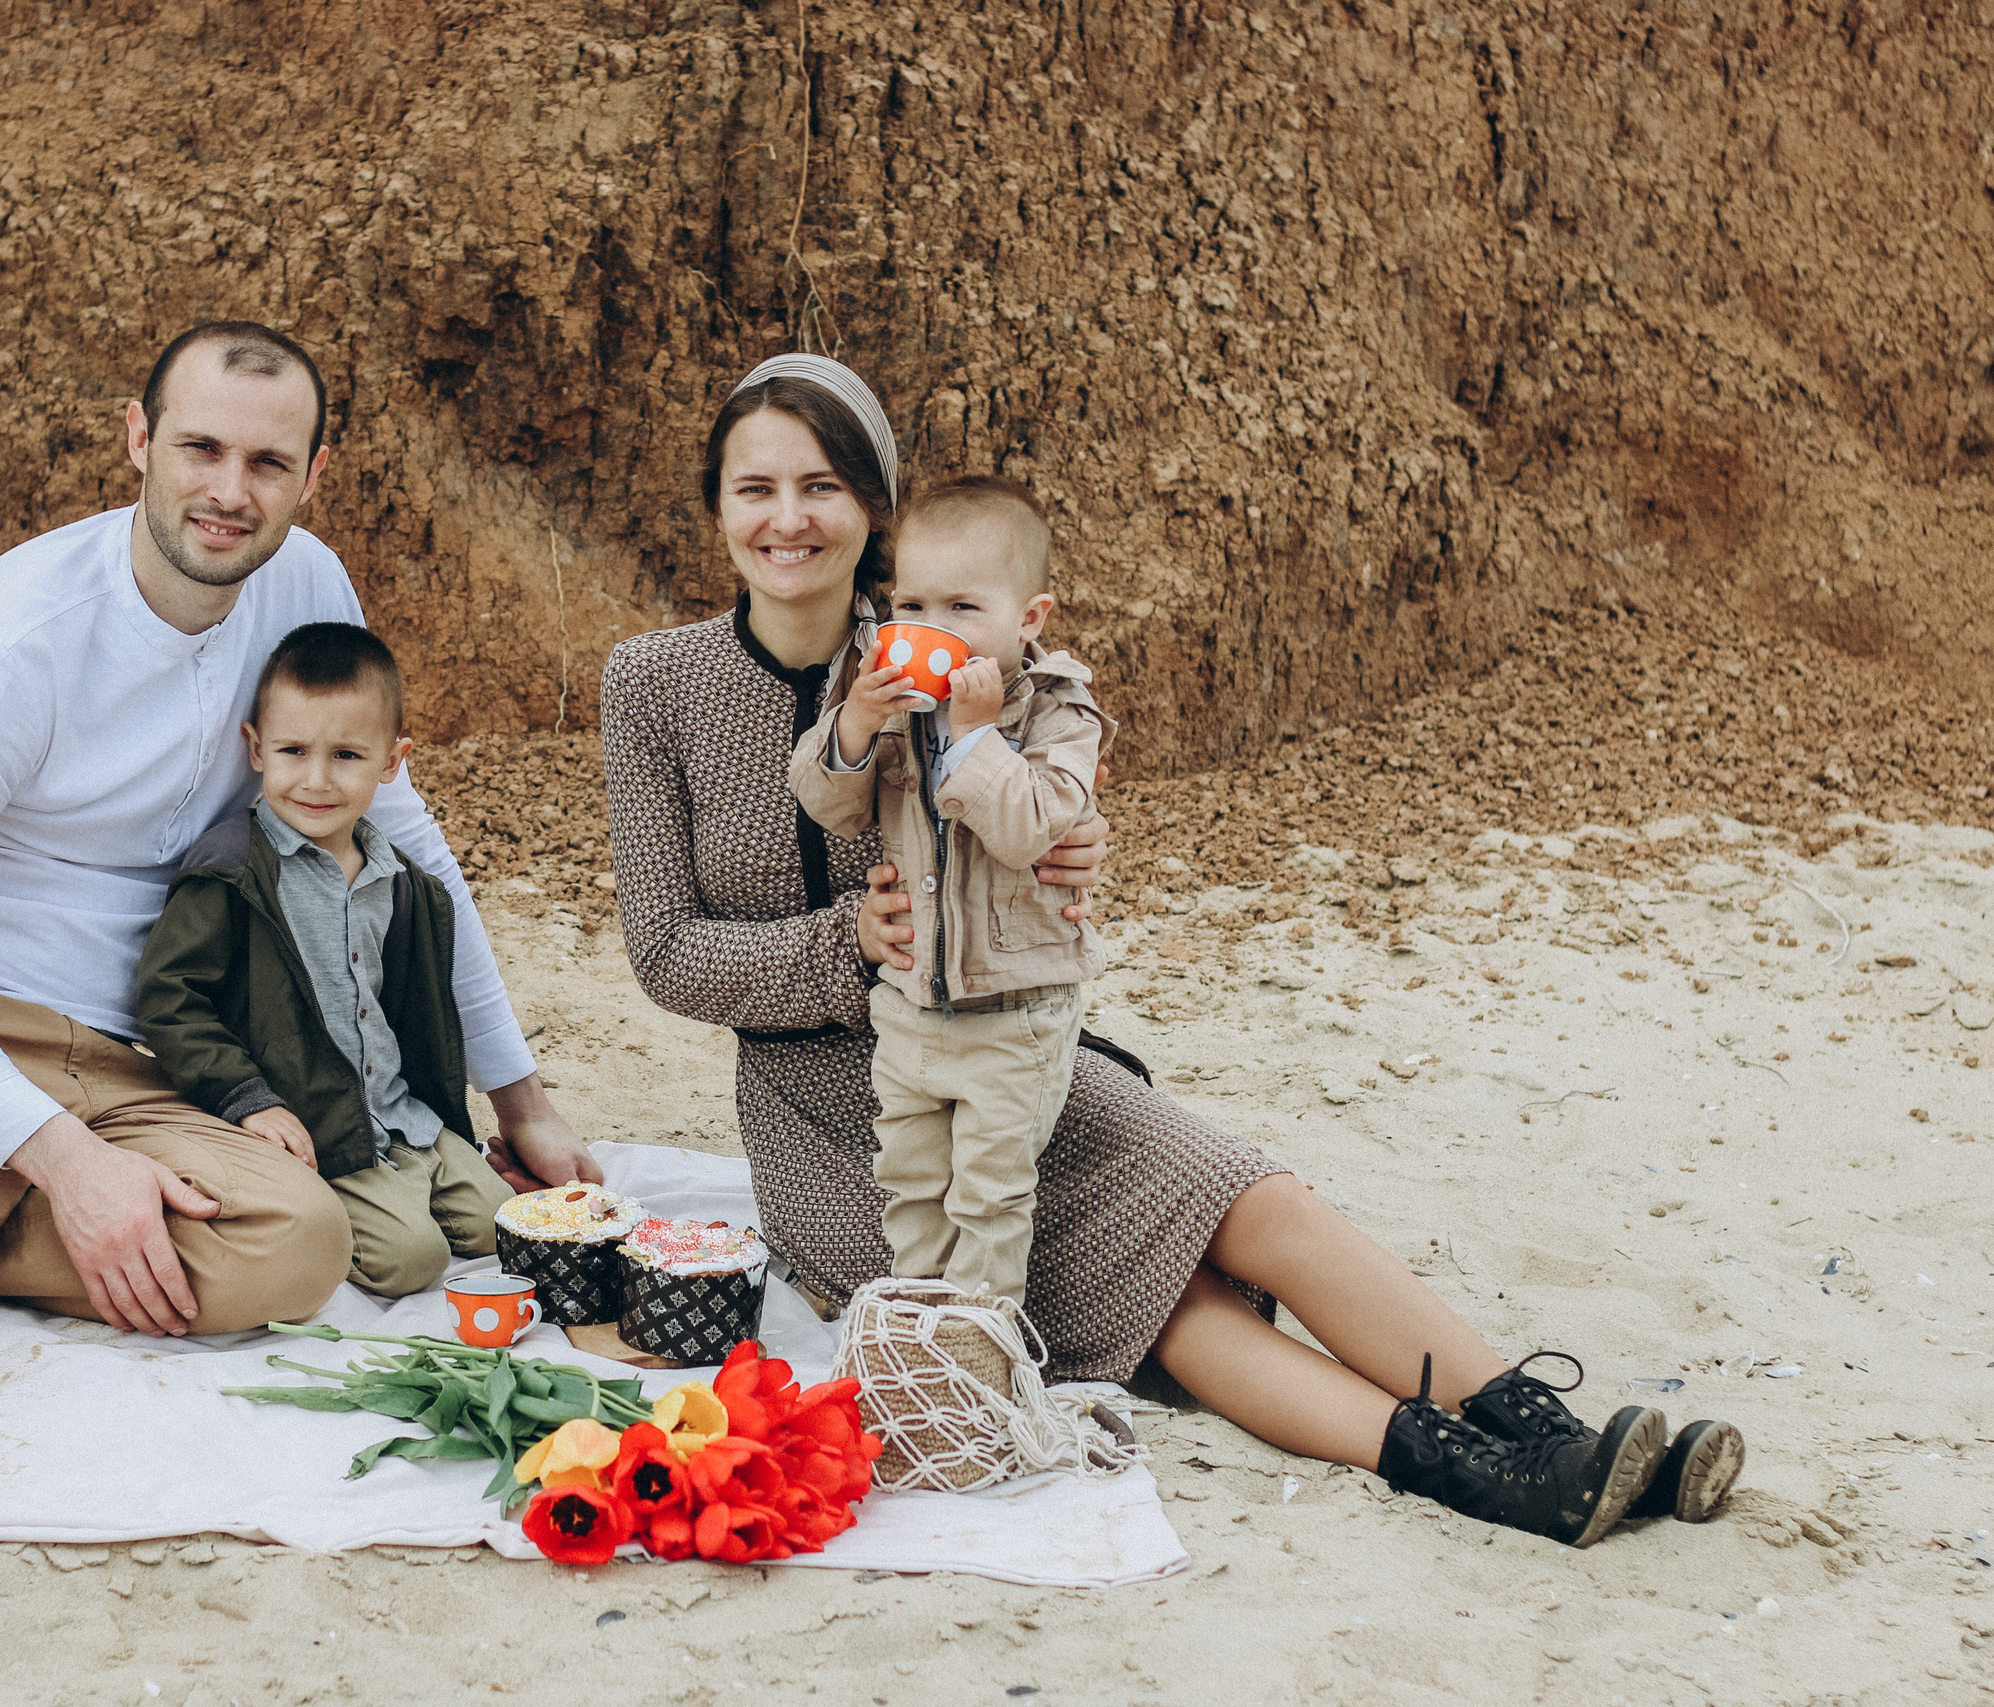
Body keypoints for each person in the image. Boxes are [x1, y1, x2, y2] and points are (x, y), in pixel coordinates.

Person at [598, 350, 1746, 1546]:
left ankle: (1551, 1430)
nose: (789, 519)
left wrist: (1071, 846)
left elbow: (1048, 797)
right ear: (716, 505)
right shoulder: (652, 683)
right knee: (1170, 1304)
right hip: (840, 1120)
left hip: (1007, 1045)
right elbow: (667, 952)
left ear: (874, 512)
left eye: (823, 486)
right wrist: (848, 940)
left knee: (1252, 1197)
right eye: (756, 488)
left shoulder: (964, 641)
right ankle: (1482, 1476)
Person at [0, 323, 598, 1570]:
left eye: (266, 461)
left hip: (153, 1058)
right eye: (199, 447)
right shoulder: (2, 644)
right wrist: (67, 1168)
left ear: (313, 475)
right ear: (138, 440)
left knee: (298, 1241)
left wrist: (516, 1093)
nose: (228, 491)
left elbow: (403, 842)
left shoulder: (308, 588)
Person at [789, 476, 1108, 1305]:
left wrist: (975, 738)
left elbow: (1031, 826)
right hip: (910, 1005)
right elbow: (832, 807)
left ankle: (974, 1348)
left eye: (963, 608)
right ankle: (917, 1324)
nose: (930, 630)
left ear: (1028, 618)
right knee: (912, 1178)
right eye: (913, 605)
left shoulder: (1057, 713)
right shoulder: (895, 705)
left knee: (991, 1192)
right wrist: (854, 725)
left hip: (1013, 1011)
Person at [134, 621, 514, 1297]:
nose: (315, 780)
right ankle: (348, 1210)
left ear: (391, 761)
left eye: (346, 755)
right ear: (255, 748)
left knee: (502, 1228)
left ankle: (414, 1179)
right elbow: (170, 997)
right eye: (292, 750)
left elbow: (414, 1015)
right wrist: (246, 1099)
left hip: (402, 1115)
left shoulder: (402, 884)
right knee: (412, 1261)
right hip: (319, 1127)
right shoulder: (234, 874)